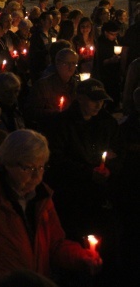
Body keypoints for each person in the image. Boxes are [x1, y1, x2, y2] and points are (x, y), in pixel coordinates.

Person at [0, 129, 102, 287]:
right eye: (28, 168)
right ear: (7, 164)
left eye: (41, 168)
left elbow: (55, 245)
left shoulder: (42, 200)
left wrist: (80, 256)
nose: (37, 176)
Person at [44, 79, 121, 246]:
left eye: (102, 100)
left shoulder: (108, 123)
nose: (99, 105)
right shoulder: (62, 124)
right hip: (73, 195)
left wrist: (108, 170)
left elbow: (117, 154)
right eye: (94, 100)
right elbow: (56, 159)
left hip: (100, 194)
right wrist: (87, 173)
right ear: (79, 98)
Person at [24, 48, 78, 130]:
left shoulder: (77, 85)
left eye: (73, 63)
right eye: (66, 63)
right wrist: (55, 114)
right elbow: (31, 112)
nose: (70, 67)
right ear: (57, 63)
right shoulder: (43, 86)